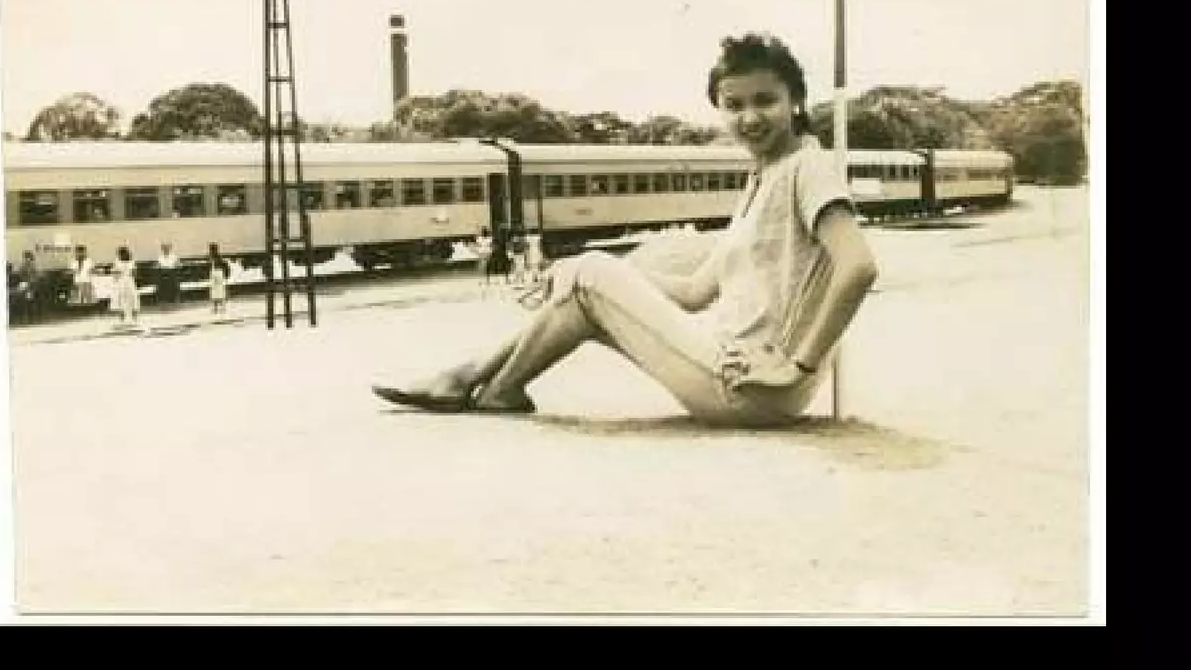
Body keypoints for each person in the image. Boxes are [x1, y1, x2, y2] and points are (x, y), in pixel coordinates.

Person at [373, 33, 879, 427]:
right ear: (719, 110)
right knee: (584, 286)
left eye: (765, 100)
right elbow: (694, 293)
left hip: (751, 385)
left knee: (590, 270)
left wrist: (798, 367)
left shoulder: (806, 168)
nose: (750, 116)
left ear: (795, 100)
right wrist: (590, 275)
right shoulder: (762, 177)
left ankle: (465, 379)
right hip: (732, 368)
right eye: (733, 104)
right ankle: (494, 388)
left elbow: (858, 267)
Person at [111, 245, 142, 330]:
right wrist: (116, 273)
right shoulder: (117, 262)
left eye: (121, 254)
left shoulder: (131, 262)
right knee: (120, 300)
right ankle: (122, 320)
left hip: (129, 281)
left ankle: (135, 320)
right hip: (120, 282)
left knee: (133, 299)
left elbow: (134, 273)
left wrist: (130, 272)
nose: (120, 256)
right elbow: (114, 273)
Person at [207, 243, 229, 317]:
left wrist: (225, 274)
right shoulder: (213, 258)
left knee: (218, 291)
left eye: (212, 250)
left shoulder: (218, 258)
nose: (211, 251)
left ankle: (221, 308)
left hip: (218, 274)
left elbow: (224, 266)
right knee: (215, 292)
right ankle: (217, 308)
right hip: (215, 275)